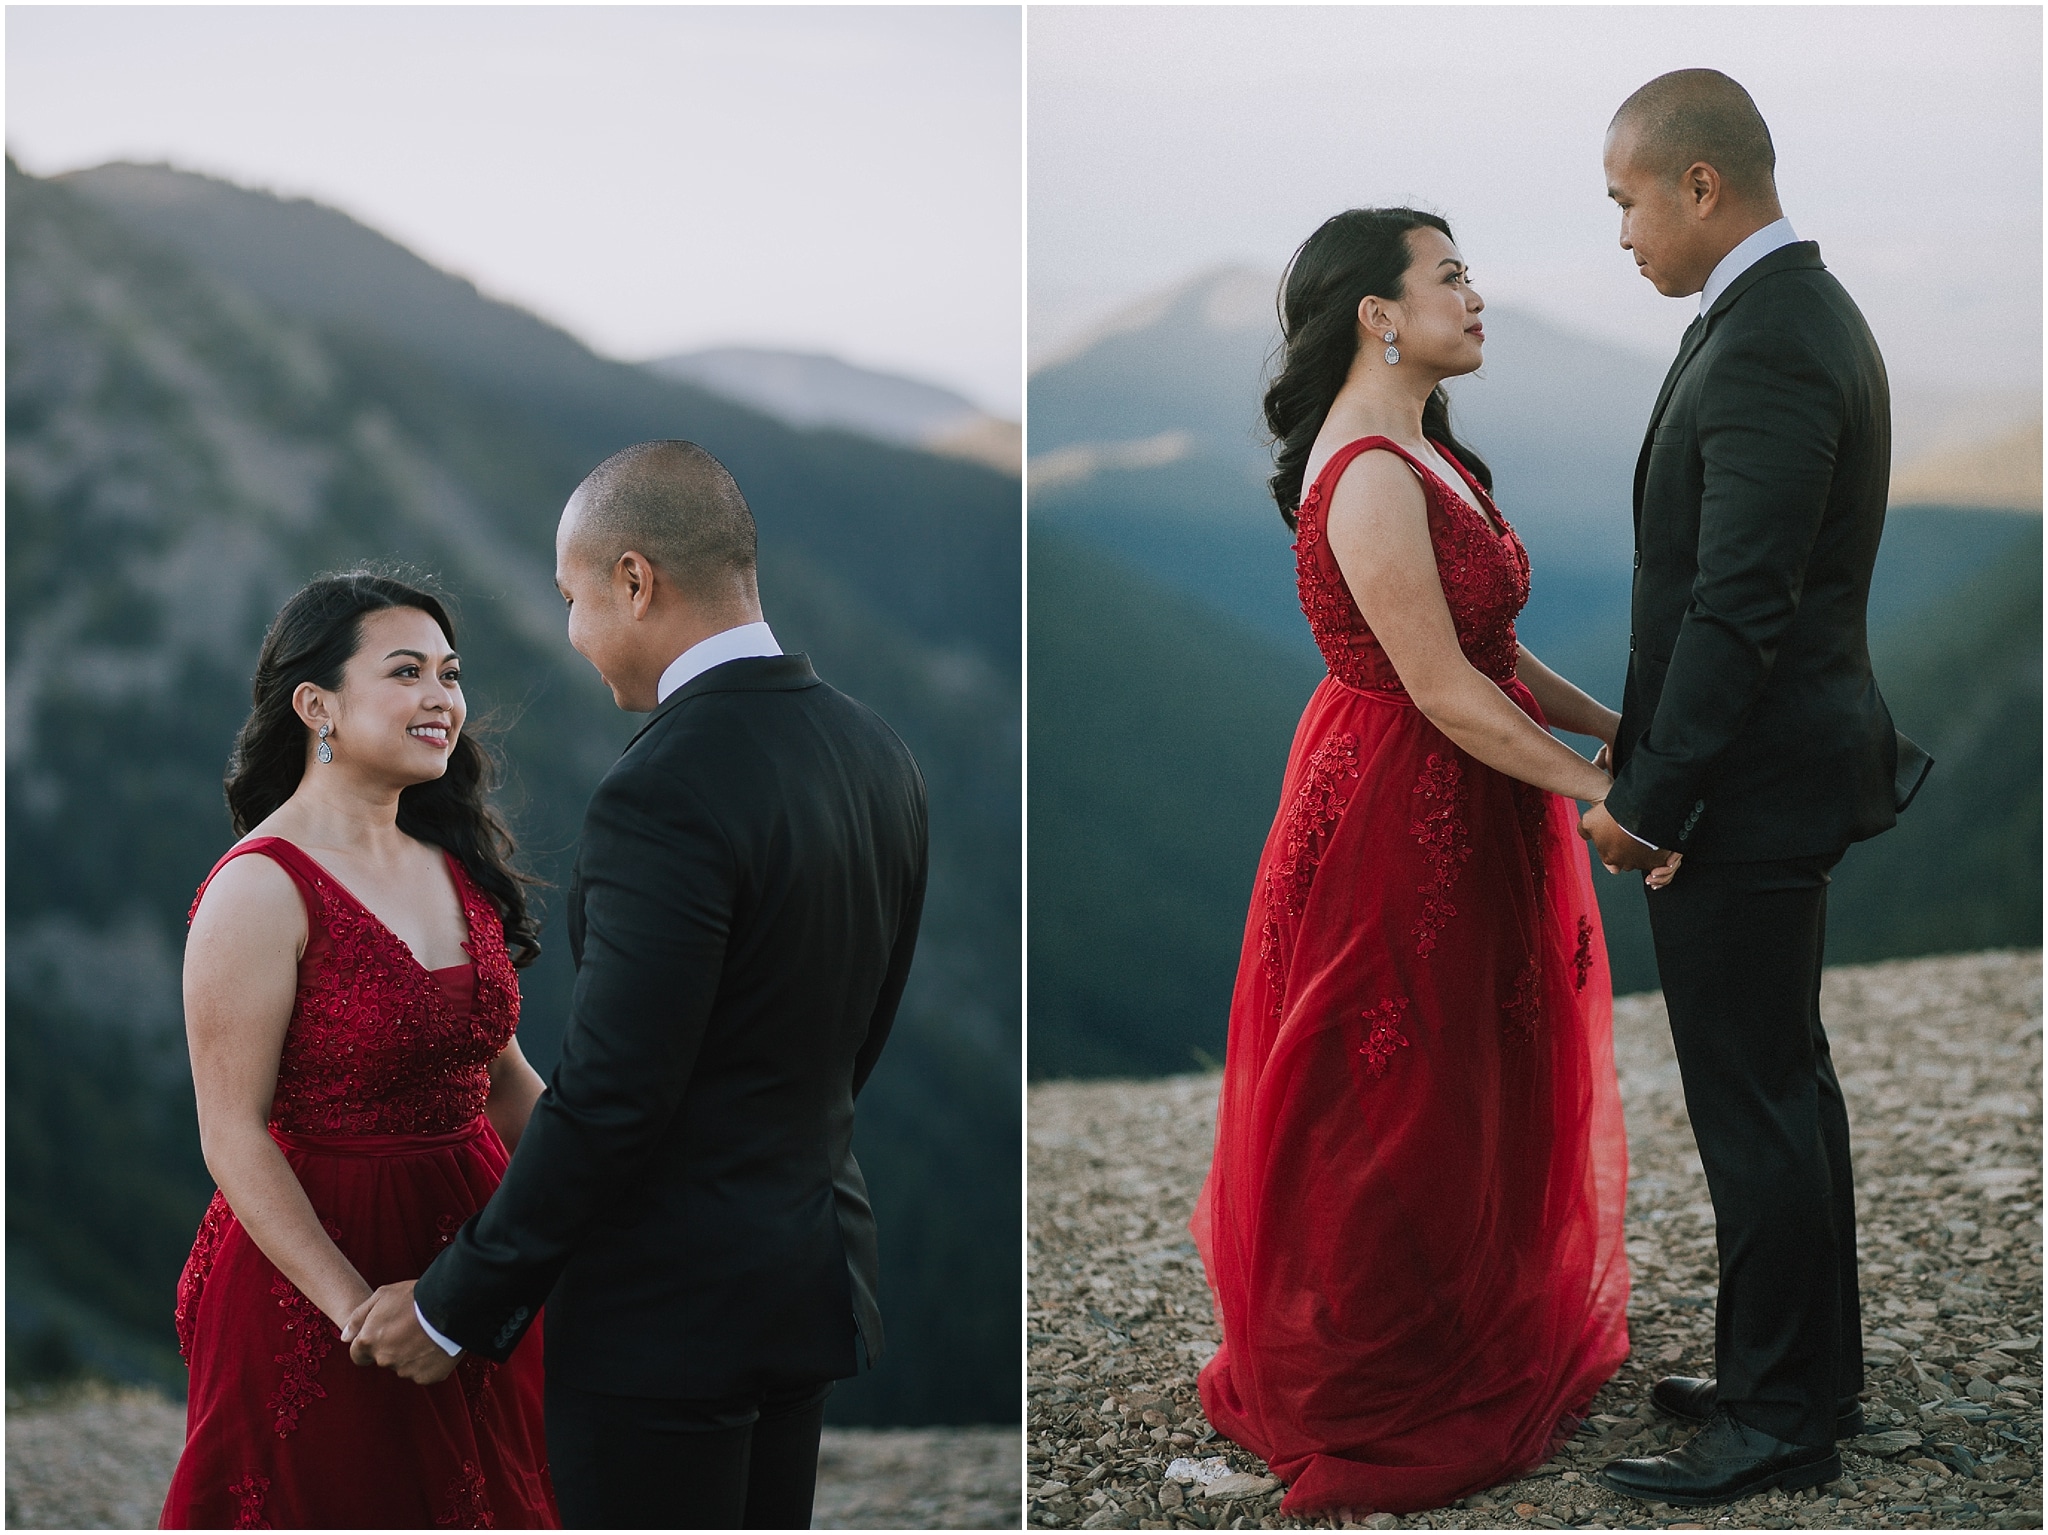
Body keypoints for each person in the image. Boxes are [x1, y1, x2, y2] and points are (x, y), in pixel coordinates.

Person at [344, 440, 930, 1531]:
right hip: (805, 1273)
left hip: (668, 1320)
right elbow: (858, 1032)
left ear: (633, 579)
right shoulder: (872, 749)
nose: (572, 632)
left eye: (572, 598)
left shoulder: (662, 789)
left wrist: (454, 1302)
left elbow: (614, 1092)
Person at [1190, 207, 1642, 1519]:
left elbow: (1491, 649)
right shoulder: (1373, 472)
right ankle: (1376, 1368)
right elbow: (1439, 685)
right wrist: (1600, 791)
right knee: (1389, 1074)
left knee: (1474, 1063)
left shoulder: (1422, 446)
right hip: (1403, 800)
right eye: (1450, 276)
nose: (1476, 294)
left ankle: (1458, 1321)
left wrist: (1606, 722)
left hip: (1471, 777)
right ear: (1379, 313)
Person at [1584, 70, 1930, 1507]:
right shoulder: (1778, 316)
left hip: (1748, 793)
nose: (1621, 235)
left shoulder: (1778, 338)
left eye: (1627, 200)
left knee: (1755, 1097)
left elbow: (1739, 605)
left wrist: (1651, 800)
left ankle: (1779, 1411)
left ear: (1701, 185)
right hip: (1765, 779)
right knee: (1781, 1078)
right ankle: (1801, 1370)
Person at [160, 572, 557, 1528]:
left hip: (471, 1255)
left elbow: (503, 1080)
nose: (442, 698)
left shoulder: (450, 864)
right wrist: (361, 1314)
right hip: (322, 1278)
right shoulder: (259, 887)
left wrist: (600, 1189)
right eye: (407, 671)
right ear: (316, 705)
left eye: (450, 674)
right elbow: (232, 1134)